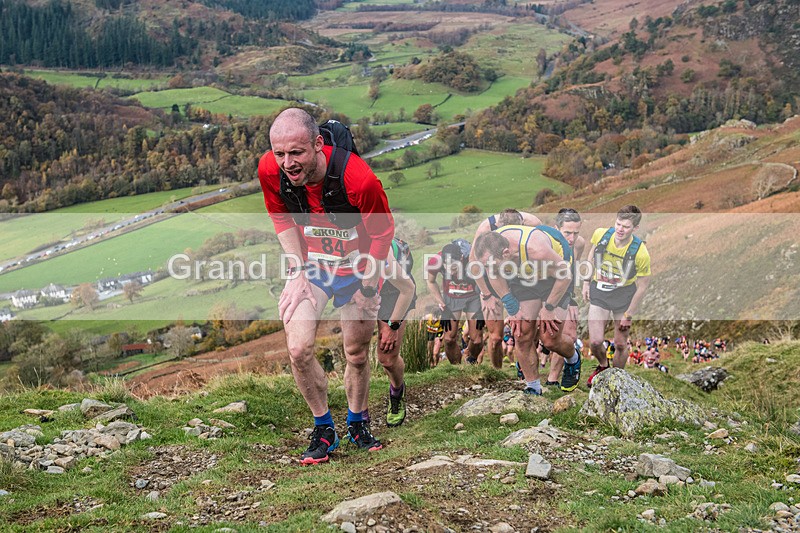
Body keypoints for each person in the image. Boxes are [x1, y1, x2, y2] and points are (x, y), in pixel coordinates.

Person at [258, 108, 394, 465]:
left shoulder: (358, 178)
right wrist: (296, 269)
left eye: (297, 153)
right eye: (280, 154)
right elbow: (279, 215)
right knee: (299, 348)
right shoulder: (270, 170)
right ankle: (324, 429)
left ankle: (358, 423)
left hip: (357, 267)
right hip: (312, 266)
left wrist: (368, 287)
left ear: (318, 145)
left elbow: (382, 234)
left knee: (356, 352)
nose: (287, 163)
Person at [473, 223, 581, 395]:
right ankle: (533, 387)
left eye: (490, 265)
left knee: (549, 338)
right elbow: (494, 275)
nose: (489, 270)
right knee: (521, 334)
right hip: (523, 275)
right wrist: (512, 307)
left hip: (555, 276)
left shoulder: (536, 249)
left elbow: (565, 275)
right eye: (485, 266)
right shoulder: (489, 249)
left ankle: (573, 358)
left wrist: (549, 307)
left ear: (506, 253)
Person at [583, 205, 652, 387]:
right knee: (596, 342)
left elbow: (643, 286)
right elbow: (592, 254)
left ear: (635, 228)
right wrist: (586, 281)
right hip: (600, 290)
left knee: (621, 344)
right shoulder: (601, 235)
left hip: (623, 295)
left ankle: (617, 379)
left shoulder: (640, 252)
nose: (620, 229)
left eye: (626, 226)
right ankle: (603, 367)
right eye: (618, 224)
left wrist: (629, 314)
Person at [470, 209, 542, 369]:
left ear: (522, 225)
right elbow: (473, 263)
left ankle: (524, 367)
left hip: (520, 277)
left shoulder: (534, 223)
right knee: (495, 338)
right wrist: (486, 294)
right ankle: (497, 372)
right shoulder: (485, 228)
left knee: (528, 331)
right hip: (491, 277)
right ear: (498, 226)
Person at [370, 237, 417, 428]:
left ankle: (397, 392)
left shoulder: (383, 250)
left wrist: (393, 325)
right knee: (355, 352)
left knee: (387, 358)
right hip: (362, 288)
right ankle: (357, 415)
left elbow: (407, 289)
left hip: (394, 292)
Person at [544, 208, 586, 388]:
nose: (571, 238)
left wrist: (572, 299)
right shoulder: (545, 242)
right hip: (542, 291)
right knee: (541, 336)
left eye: (575, 233)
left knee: (566, 334)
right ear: (556, 228)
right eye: (567, 233)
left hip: (564, 291)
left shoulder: (578, 244)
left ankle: (553, 379)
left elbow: (571, 270)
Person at [425, 241, 484, 365]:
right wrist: (441, 303)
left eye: (454, 268)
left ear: (461, 258)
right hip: (451, 296)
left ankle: (471, 361)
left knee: (477, 339)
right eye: (447, 268)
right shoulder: (435, 261)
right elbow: (431, 282)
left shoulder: (472, 259)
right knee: (449, 338)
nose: (451, 272)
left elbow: (488, 280)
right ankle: (456, 367)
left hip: (473, 296)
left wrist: (484, 304)